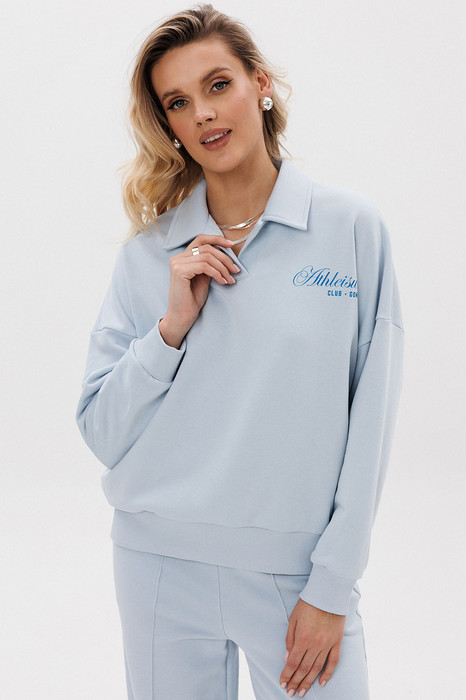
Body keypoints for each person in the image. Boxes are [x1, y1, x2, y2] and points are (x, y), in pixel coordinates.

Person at [75, 3, 405, 699]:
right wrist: (170, 329)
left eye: (217, 85)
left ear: (261, 84)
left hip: (298, 578)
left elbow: (370, 421)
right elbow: (102, 432)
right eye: (178, 102)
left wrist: (332, 586)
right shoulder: (149, 254)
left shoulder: (348, 228)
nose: (202, 113)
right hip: (157, 568)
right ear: (168, 124)